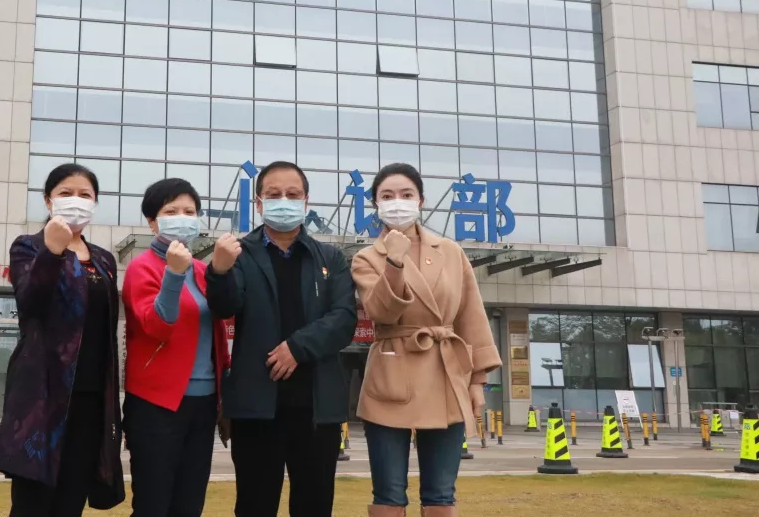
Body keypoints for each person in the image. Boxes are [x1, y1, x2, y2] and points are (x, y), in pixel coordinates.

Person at [206, 160, 357, 517]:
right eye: (274, 195)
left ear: (306, 201)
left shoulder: (330, 257)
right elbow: (225, 306)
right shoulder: (241, 254)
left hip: (317, 408)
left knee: (314, 505)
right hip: (256, 408)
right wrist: (219, 270)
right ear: (259, 203)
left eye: (293, 194)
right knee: (255, 505)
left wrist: (296, 348)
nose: (284, 201)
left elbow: (344, 319)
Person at [352, 163, 502, 517]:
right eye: (387, 196)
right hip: (391, 371)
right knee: (388, 494)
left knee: (441, 494)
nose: (397, 202)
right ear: (375, 204)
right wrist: (394, 261)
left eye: (406, 194)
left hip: (446, 373)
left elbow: (470, 315)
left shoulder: (450, 251)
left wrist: (477, 380)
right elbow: (382, 312)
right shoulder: (366, 258)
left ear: (420, 200)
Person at [0, 163, 124, 516]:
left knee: (71, 501)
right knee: (33, 503)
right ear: (49, 201)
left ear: (95, 203)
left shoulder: (104, 260)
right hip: (42, 398)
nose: (76, 200)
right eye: (66, 193)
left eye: (85, 194)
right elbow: (30, 302)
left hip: (91, 398)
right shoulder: (28, 247)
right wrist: (52, 251)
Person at [122, 178, 231, 517]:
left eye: (190, 211)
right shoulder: (141, 268)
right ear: (152, 222)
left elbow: (221, 326)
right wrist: (172, 274)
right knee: (153, 504)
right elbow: (157, 325)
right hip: (156, 404)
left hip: (203, 404)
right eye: (171, 212)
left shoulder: (203, 270)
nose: (182, 218)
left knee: (189, 504)